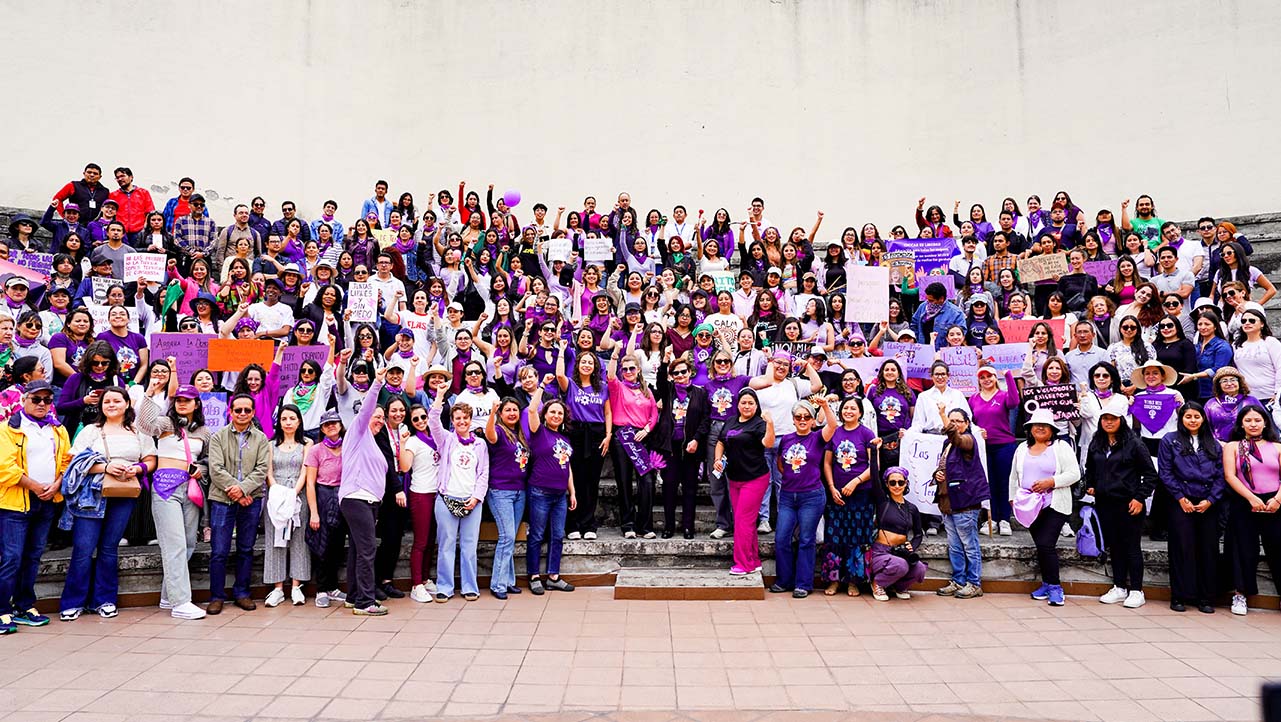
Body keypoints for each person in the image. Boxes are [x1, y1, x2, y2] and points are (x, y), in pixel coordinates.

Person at [58, 386, 157, 620]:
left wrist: (138, 468)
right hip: (91, 497)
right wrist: (105, 467)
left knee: (109, 548)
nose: (111, 405)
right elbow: (75, 464)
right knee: (83, 548)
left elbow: (151, 459)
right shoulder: (91, 431)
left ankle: (105, 600)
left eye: (116, 401)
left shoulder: (138, 432)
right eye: (106, 402)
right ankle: (73, 602)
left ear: (127, 404)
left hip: (123, 494)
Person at [0, 381, 71, 634]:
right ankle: (1, 610)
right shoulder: (8, 429)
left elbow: (66, 460)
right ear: (24, 400)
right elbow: (5, 468)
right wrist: (35, 486)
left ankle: (23, 605)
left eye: (47, 400)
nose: (42, 404)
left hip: (47, 502)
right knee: (11, 558)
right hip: (15, 504)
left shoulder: (57, 429)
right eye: (36, 399)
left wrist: (57, 485)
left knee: (32, 557)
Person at [136, 384, 209, 620]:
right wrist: (149, 393)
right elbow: (145, 424)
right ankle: (181, 602)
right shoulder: (166, 425)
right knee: (174, 543)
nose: (182, 403)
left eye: (187, 400)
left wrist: (201, 470)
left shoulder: (205, 432)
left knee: (188, 543)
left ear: (196, 404)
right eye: (178, 399)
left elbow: (209, 461)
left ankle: (168, 596)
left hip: (190, 489)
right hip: (165, 489)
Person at [1085, 397, 1158, 609]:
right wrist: (1091, 484)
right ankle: (1119, 586)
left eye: (1113, 419)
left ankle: (1136, 590)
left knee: (1132, 547)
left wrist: (1139, 497)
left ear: (1121, 420)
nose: (1108, 422)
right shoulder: (1096, 443)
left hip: (1129, 503)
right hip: (1105, 503)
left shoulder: (1134, 444)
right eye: (1105, 419)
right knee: (1114, 546)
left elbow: (1150, 475)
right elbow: (1090, 468)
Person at [205, 392, 270, 614]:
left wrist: (243, 490)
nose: (242, 414)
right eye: (238, 410)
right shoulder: (217, 437)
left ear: (253, 412)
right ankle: (216, 596)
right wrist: (238, 491)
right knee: (219, 550)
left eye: (247, 410)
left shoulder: (261, 438)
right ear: (230, 412)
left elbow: (261, 470)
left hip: (251, 500)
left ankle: (242, 592)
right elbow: (215, 469)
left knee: (246, 548)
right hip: (223, 499)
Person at [1158, 402, 1225, 614]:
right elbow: (1165, 472)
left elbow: (1221, 475)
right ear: (1182, 419)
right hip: (1181, 502)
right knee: (1181, 549)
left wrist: (1211, 500)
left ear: (1203, 418)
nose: (1193, 420)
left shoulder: (1214, 444)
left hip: (1208, 503)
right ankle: (1179, 595)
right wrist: (1180, 497)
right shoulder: (1170, 440)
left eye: (1197, 416)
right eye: (1188, 416)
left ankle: (1205, 597)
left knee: (1208, 549)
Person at [1010, 409, 1081, 607]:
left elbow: (1074, 474)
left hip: (1054, 504)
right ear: (1030, 429)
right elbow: (1013, 476)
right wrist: (1011, 497)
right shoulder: (1022, 448)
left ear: (1052, 429)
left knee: (1046, 545)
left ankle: (1056, 587)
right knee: (1041, 546)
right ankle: (1047, 583)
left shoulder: (1061, 446)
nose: (1040, 428)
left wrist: (1051, 481)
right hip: (1029, 505)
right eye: (1036, 425)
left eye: (1045, 425)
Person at [427, 382, 489, 602]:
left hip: (471, 501)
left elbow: (483, 474)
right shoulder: (446, 440)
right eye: (457, 418)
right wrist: (441, 395)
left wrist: (476, 498)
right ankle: (444, 586)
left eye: (465, 418)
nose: (462, 422)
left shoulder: (480, 444)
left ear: (471, 421)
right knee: (446, 545)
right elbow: (433, 420)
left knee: (469, 546)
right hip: (446, 499)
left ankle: (469, 586)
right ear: (452, 421)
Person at [770, 398, 836, 598]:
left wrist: (824, 406)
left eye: (807, 417)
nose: (802, 420)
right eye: (798, 416)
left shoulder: (817, 438)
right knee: (782, 537)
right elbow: (781, 465)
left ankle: (803, 584)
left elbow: (833, 425)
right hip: (789, 495)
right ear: (793, 419)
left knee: (807, 539)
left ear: (813, 420)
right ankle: (784, 580)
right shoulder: (787, 439)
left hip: (812, 496)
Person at [338, 368, 390, 616]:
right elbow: (368, 408)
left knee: (359, 550)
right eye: (376, 416)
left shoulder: (374, 443)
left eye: (383, 417)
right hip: (356, 497)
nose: (379, 419)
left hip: (368, 501)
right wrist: (377, 383)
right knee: (368, 549)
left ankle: (353, 596)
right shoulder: (357, 432)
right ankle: (365, 602)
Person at [1223, 404, 1281, 617]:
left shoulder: (1277, 446)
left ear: (1265, 422)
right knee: (1243, 549)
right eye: (1248, 420)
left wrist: (1277, 500)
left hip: (1275, 502)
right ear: (1241, 424)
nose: (1253, 424)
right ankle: (1241, 594)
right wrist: (1251, 498)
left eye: (1257, 420)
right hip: (1244, 501)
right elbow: (1230, 476)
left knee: (1278, 547)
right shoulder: (1233, 446)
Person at [820, 395, 881, 596]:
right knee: (835, 537)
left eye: (853, 409)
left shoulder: (866, 433)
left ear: (860, 412)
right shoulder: (834, 433)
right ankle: (834, 581)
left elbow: (875, 465)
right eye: (845, 408)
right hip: (837, 494)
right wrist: (831, 487)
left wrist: (855, 482)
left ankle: (854, 581)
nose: (849, 412)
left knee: (858, 537)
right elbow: (828, 463)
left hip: (861, 495)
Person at [711, 388, 775, 576]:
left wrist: (770, 423)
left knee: (742, 521)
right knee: (745, 521)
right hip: (735, 478)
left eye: (751, 403)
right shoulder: (731, 421)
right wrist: (717, 459)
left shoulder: (759, 424)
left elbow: (768, 443)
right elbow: (721, 442)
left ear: (756, 406)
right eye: (743, 403)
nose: (747, 406)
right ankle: (753, 561)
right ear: (738, 404)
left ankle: (743, 564)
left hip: (755, 478)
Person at [524, 377, 576, 594]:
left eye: (559, 413)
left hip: (560, 495)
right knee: (536, 535)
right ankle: (534, 576)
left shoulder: (564, 439)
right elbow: (532, 410)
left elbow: (567, 466)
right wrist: (542, 387)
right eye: (552, 412)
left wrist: (572, 491)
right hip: (539, 492)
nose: (556, 415)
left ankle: (553, 575)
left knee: (557, 535)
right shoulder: (538, 432)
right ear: (546, 415)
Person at [933, 407, 989, 599]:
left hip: (965, 502)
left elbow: (956, 438)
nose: (955, 424)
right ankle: (958, 580)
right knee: (955, 546)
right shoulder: (946, 444)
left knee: (969, 545)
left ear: (967, 424)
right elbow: (944, 467)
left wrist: (942, 415)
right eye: (951, 420)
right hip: (948, 502)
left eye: (958, 421)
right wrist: (937, 474)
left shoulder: (968, 440)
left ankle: (974, 583)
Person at [605, 350, 659, 539]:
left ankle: (645, 525)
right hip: (622, 437)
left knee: (647, 481)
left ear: (638, 370)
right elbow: (610, 377)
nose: (628, 371)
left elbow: (654, 413)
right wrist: (614, 356)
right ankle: (628, 525)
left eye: (631, 368)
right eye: (625, 368)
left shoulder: (646, 390)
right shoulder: (618, 387)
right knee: (624, 482)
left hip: (642, 437)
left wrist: (647, 429)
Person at [263, 405, 313, 608]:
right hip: (276, 495)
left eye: (292, 418)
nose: (288, 422)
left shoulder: (307, 444)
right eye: (284, 419)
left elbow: (305, 471)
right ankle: (277, 588)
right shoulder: (271, 444)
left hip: (297, 495)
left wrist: (293, 493)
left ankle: (296, 586)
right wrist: (277, 492)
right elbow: (268, 471)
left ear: (299, 421)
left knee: (299, 540)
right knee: (275, 540)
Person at [654, 354, 708, 539]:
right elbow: (660, 379)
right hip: (670, 448)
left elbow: (705, 419)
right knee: (669, 488)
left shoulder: (700, 393)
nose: (680, 375)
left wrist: (697, 439)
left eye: (683, 372)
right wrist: (664, 363)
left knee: (690, 489)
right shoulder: (668, 390)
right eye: (676, 373)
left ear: (690, 373)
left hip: (691, 448)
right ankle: (668, 527)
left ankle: (688, 527)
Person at [483, 398, 528, 600]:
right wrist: (492, 413)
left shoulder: (520, 434)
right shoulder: (499, 431)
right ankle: (498, 584)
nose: (511, 413)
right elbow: (489, 435)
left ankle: (509, 581)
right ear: (501, 414)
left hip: (520, 491)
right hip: (500, 490)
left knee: (510, 538)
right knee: (507, 537)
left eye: (515, 410)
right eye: (507, 410)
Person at [304, 411, 348, 609]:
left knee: (338, 544)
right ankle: (321, 588)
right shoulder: (316, 450)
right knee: (322, 545)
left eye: (334, 423)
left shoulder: (348, 446)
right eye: (327, 424)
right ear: (321, 429)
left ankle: (333, 586)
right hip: (323, 495)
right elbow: (310, 483)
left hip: (343, 497)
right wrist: (313, 511)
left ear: (340, 425)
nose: (331, 426)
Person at [969, 365, 1019, 536]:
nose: (986, 379)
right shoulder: (974, 398)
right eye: (982, 377)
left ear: (995, 378)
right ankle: (991, 519)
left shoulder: (1003, 395)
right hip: (983, 447)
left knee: (1004, 482)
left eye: (989, 376)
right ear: (979, 380)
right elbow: (971, 422)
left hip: (1004, 445)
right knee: (988, 484)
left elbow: (1014, 402)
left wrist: (1009, 375)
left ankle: (1004, 518)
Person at [869, 467, 927, 601]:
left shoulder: (912, 508)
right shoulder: (883, 502)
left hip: (900, 552)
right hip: (880, 552)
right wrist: (873, 450)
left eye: (900, 482)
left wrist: (912, 546)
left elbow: (918, 534)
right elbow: (874, 476)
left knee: (919, 569)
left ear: (906, 483)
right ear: (887, 484)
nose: (896, 486)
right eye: (892, 482)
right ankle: (878, 583)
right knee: (900, 565)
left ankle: (899, 586)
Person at [1231, 308, 1281, 410]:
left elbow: (1280, 367)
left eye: (1252, 320)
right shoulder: (1236, 345)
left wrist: (1277, 392)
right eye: (1244, 321)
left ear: (1262, 324)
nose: (1247, 323)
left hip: (1270, 396)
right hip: (1246, 397)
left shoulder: (1270, 342)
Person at [1204, 367, 1260, 442]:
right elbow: (1204, 427)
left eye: (1233, 380)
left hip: (1249, 445)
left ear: (1239, 382)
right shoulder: (1211, 404)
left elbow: (1264, 423)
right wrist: (1217, 443)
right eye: (1224, 381)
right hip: (1219, 447)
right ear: (1218, 385)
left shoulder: (1251, 401)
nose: (1229, 383)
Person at [911, 282, 966, 349]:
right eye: (927, 299)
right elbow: (914, 324)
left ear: (941, 299)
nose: (928, 302)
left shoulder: (956, 313)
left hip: (944, 352)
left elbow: (961, 333)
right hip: (923, 349)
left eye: (931, 300)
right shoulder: (922, 307)